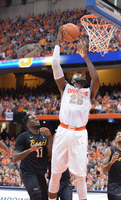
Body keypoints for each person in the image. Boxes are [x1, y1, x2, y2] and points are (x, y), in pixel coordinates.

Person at [48, 26, 100, 200]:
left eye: (81, 74)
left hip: (79, 133)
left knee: (80, 175)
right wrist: (57, 43)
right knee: (56, 173)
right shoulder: (65, 88)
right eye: (76, 74)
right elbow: (55, 64)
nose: (79, 74)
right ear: (71, 80)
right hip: (63, 130)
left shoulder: (88, 93)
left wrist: (86, 57)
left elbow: (96, 79)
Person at [12, 114, 53, 200]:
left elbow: (50, 156)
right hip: (28, 172)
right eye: (32, 118)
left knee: (44, 197)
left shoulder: (45, 137)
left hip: (41, 173)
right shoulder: (23, 137)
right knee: (36, 195)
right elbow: (15, 157)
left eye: (36, 118)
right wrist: (30, 150)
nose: (36, 119)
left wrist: (50, 137)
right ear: (27, 124)